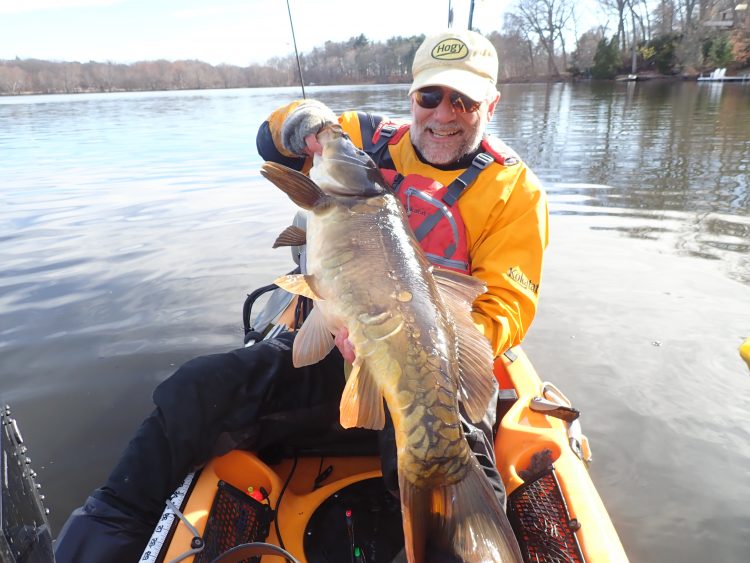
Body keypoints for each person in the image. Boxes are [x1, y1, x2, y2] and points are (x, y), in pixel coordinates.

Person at [54, 29, 548, 562]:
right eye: (431, 96)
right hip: (333, 350)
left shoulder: (515, 190)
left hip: (434, 375)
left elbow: (505, 307)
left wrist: (403, 345)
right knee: (194, 390)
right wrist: (307, 122)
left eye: (464, 101)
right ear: (412, 98)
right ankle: (99, 539)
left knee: (451, 478)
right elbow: (272, 140)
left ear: (490, 105)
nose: (444, 114)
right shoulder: (363, 140)